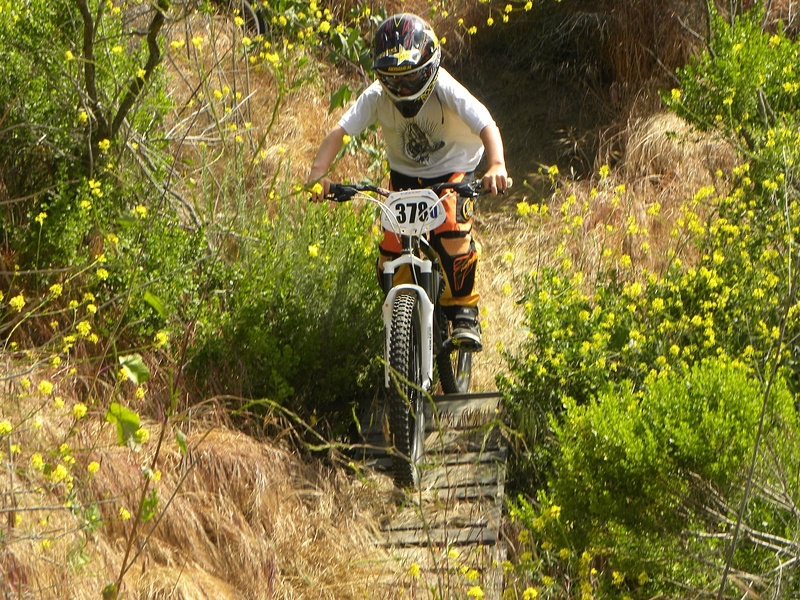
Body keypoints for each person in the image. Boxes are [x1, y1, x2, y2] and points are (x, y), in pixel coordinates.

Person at [308, 13, 508, 352]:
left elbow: (487, 124)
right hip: (404, 177)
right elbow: (339, 132)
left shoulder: (445, 87)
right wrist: (318, 173)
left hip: (454, 170)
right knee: (390, 246)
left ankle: (464, 313)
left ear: (430, 68)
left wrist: (497, 164)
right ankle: (398, 318)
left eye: (412, 77)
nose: (402, 88)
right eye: (393, 79)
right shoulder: (376, 96)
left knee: (451, 231)